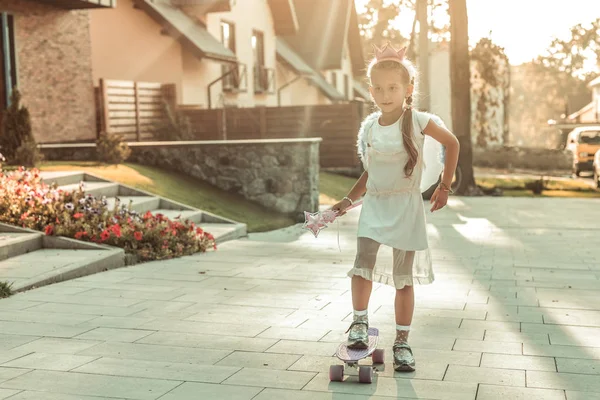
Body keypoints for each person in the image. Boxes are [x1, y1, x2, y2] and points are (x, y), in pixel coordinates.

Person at [331, 43, 460, 372]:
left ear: (408, 89)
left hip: (406, 206)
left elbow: (452, 143)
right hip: (374, 204)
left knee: (404, 279)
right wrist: (347, 200)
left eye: (394, 88)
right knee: (363, 265)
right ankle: (359, 324)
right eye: (379, 88)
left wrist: (444, 186)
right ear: (370, 90)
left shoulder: (418, 120)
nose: (386, 94)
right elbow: (370, 172)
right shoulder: (371, 127)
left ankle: (402, 342)